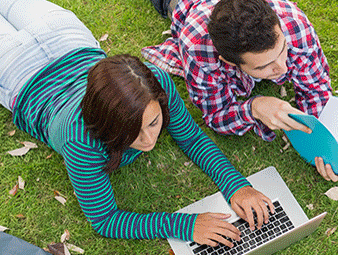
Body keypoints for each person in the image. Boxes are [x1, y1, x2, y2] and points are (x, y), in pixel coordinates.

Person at [1, 0, 276, 247]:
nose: (148, 140)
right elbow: (106, 220)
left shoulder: (154, 80)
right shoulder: (80, 138)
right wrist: (186, 225)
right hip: (15, 68)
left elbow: (191, 137)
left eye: (154, 122)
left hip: (64, 36)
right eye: (130, 131)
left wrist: (237, 185)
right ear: (105, 123)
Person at [142, 0, 338, 181]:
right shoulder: (197, 51)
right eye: (264, 66)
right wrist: (253, 108)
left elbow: (316, 88)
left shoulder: (293, 22)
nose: (283, 67)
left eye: (283, 50)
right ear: (229, 61)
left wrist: (320, 141)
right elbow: (215, 115)